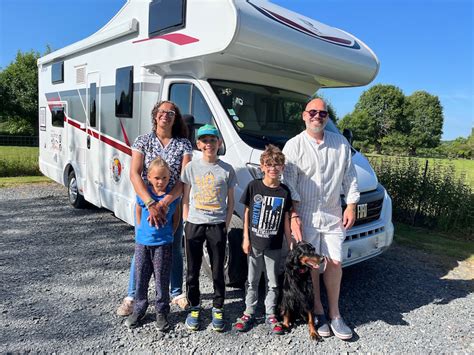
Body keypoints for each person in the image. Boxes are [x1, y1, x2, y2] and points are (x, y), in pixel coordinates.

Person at [283, 98, 359, 340]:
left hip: (333, 212)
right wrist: (293, 214)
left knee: (335, 262)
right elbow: (288, 184)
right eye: (313, 112)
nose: (318, 116)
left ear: (327, 117)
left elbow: (350, 177)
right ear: (304, 116)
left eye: (323, 113)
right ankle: (318, 310)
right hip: (305, 214)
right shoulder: (293, 146)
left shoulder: (340, 143)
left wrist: (352, 205)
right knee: (312, 265)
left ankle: (335, 313)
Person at [117, 100, 192, 316]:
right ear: (155, 115)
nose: (165, 115)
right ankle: (132, 296)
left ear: (175, 117)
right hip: (145, 203)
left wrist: (165, 202)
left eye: (171, 112)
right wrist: (150, 203)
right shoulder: (143, 141)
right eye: (162, 112)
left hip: (172, 203)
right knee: (142, 247)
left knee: (173, 248)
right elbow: (134, 173)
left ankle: (176, 293)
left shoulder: (184, 144)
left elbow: (184, 178)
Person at [234, 144, 297, 335]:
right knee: (252, 280)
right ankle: (249, 311)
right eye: (269, 164)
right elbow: (246, 213)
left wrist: (290, 240)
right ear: (262, 166)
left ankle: (270, 313)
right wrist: (245, 237)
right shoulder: (254, 186)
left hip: (274, 245)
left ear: (282, 168)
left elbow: (286, 219)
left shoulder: (284, 192)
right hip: (254, 243)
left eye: (277, 164)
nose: (273, 168)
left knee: (273, 281)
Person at [181, 124, 237, 332]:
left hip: (217, 225)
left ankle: (218, 307)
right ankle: (195, 307)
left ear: (219, 143)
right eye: (204, 141)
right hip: (195, 224)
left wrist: (226, 223)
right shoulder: (191, 168)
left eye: (212, 140)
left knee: (217, 270)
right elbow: (185, 197)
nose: (208, 144)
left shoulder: (227, 170)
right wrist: (187, 220)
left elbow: (231, 201)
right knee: (192, 270)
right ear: (198, 144)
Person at [124, 157, 178, 330]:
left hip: (163, 243)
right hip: (143, 243)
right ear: (148, 177)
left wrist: (170, 233)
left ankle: (161, 311)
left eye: (164, 178)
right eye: (157, 178)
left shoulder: (172, 198)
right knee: (141, 277)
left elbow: (176, 219)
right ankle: (139, 309)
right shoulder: (144, 194)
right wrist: (140, 231)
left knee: (161, 279)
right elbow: (139, 212)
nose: (160, 181)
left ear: (169, 178)